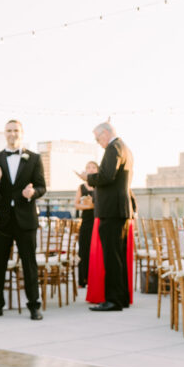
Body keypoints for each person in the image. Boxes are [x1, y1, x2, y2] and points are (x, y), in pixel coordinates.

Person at [0, 120, 47, 321]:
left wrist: (32, 192)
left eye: (16, 130)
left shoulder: (34, 158)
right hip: (2, 221)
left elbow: (41, 187)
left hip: (26, 220)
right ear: (5, 133)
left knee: (29, 265)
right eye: (9, 130)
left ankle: (34, 306)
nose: (12, 134)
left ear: (22, 133)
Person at [83, 121, 135, 312]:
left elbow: (106, 176)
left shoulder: (113, 148)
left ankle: (113, 300)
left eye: (97, 138)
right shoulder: (124, 148)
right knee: (118, 256)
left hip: (111, 211)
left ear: (105, 133)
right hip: (120, 210)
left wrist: (87, 178)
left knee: (112, 257)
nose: (97, 142)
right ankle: (121, 297)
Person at [74, 161, 99, 287]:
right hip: (86, 221)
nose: (91, 169)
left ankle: (95, 278)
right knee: (83, 250)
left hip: (98, 220)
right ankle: (82, 279)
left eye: (93, 167)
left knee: (96, 251)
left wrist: (93, 205)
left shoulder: (99, 186)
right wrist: (87, 206)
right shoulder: (81, 187)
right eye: (88, 167)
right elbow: (76, 204)